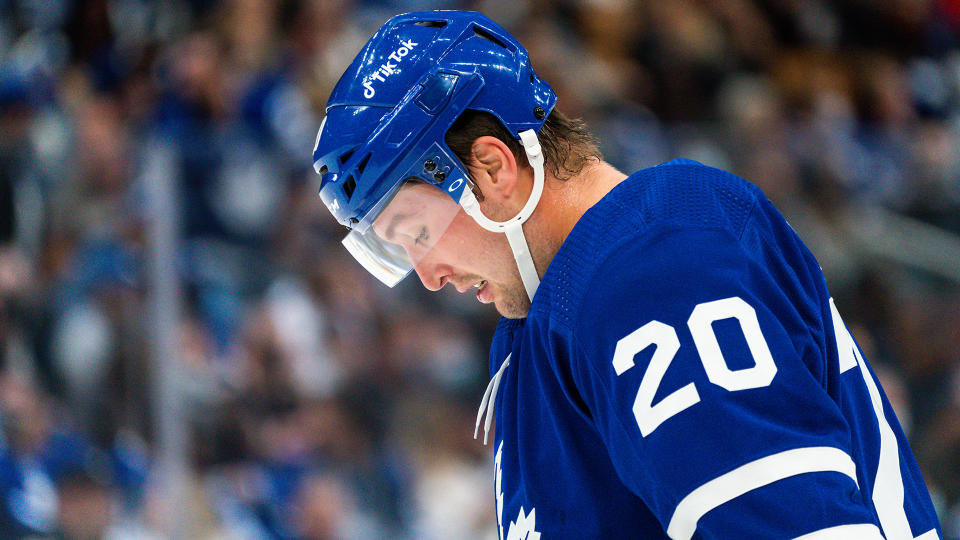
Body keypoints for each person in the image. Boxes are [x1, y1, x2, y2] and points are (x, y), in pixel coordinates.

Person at [311, 10, 941, 539]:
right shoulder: (553, 317)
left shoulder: (657, 274)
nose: (428, 277)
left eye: (417, 235)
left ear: (493, 170)